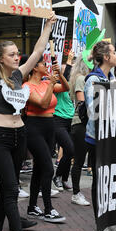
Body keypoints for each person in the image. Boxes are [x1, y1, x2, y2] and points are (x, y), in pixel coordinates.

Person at [0, 0, 56, 231]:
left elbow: (36, 52)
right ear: (0, 59)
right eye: (11, 54)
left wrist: (47, 27)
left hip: (19, 135)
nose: (17, 57)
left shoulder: (17, 75)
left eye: (17, 54)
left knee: (6, 188)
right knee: (12, 188)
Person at [84, 40, 116, 231]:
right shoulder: (93, 80)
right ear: (107, 57)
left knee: (113, 182)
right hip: (97, 141)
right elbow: (94, 111)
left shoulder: (110, 76)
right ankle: (101, 227)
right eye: (114, 53)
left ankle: (111, 220)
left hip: (112, 138)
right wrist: (111, 89)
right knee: (100, 184)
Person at [24, 56, 68, 223]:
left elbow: (65, 87)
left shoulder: (45, 82)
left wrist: (59, 74)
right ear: (35, 68)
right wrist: (50, 83)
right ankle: (48, 209)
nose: (46, 66)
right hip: (34, 128)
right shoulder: (26, 86)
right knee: (48, 169)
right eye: (43, 64)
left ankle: (32, 206)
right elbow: (42, 104)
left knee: (39, 169)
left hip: (49, 127)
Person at [68, 56, 92, 206]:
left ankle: (76, 192)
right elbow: (82, 102)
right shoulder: (81, 79)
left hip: (84, 124)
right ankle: (76, 193)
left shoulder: (83, 79)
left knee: (81, 159)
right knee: (79, 159)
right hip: (80, 124)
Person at [52, 50, 75, 193]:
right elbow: (65, 76)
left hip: (69, 121)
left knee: (70, 152)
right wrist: (69, 60)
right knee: (69, 149)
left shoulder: (69, 86)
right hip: (58, 121)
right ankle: (57, 177)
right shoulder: (57, 86)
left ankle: (64, 178)